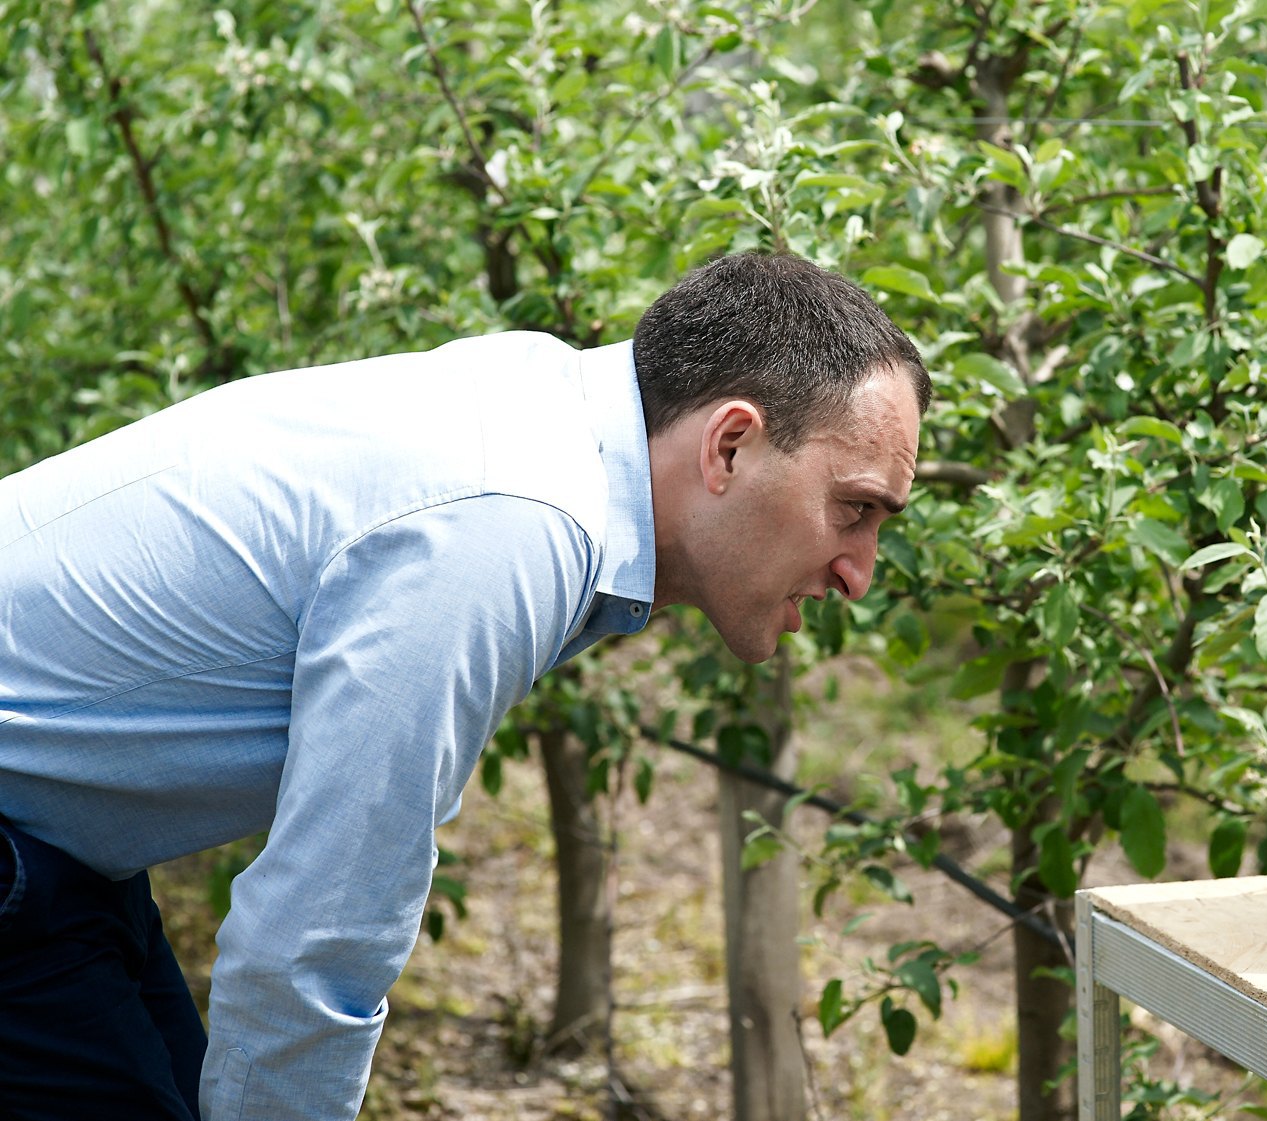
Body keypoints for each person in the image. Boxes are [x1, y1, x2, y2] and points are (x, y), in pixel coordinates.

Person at [0, 251, 930, 1120]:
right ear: (729, 445)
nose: (860, 571)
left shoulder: (542, 416)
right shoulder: (509, 523)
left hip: (58, 847)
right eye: (855, 509)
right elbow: (318, 937)